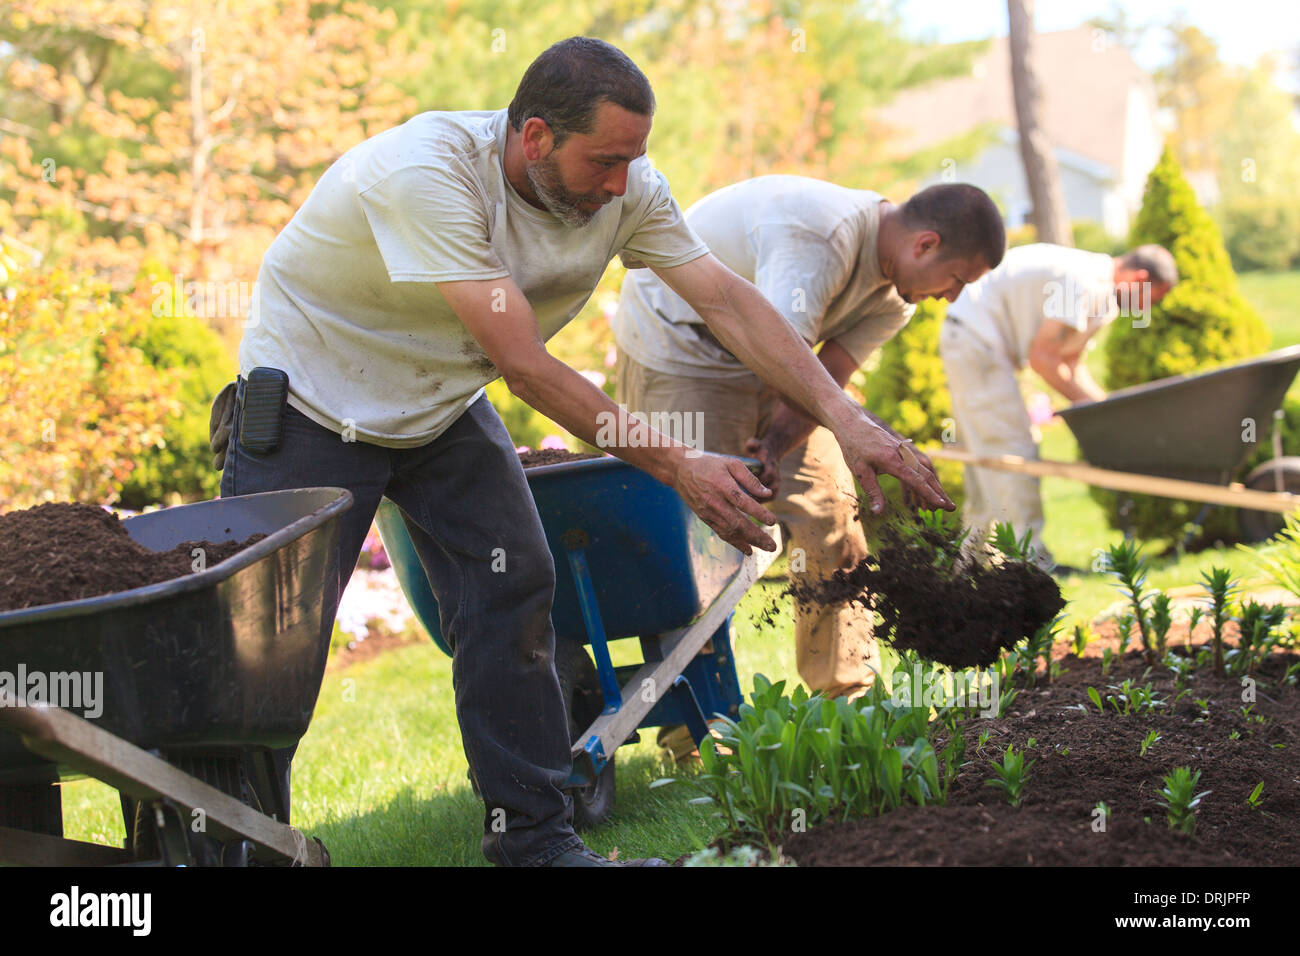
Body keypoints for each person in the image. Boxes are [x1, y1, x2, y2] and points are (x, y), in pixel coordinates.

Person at [212, 37, 953, 867]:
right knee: (267, 647)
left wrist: (847, 421)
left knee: (516, 588)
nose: (620, 184)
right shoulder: (427, 173)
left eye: (633, 160)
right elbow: (524, 366)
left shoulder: (629, 189)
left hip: (435, 404)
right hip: (316, 402)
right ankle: (227, 853)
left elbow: (728, 300)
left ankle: (535, 843)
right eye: (604, 161)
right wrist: (680, 466)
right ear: (534, 138)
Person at [610, 176, 1004, 743]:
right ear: (926, 245)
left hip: (777, 360)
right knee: (701, 534)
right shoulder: (821, 235)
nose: (952, 297)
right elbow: (778, 352)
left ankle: (848, 698)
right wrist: (864, 432)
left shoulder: (897, 298)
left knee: (829, 513)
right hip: (681, 347)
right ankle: (695, 729)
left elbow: (827, 380)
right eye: (958, 280)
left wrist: (774, 444)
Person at [939, 242, 1178, 571]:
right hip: (976, 342)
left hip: (977, 344)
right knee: (1014, 452)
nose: (1146, 308)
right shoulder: (1083, 281)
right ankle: (1031, 562)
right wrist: (1090, 407)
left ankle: (970, 564)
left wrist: (1107, 411)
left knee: (988, 461)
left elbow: (1069, 363)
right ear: (1138, 278)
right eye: (1150, 298)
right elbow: (1043, 359)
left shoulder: (1103, 298)